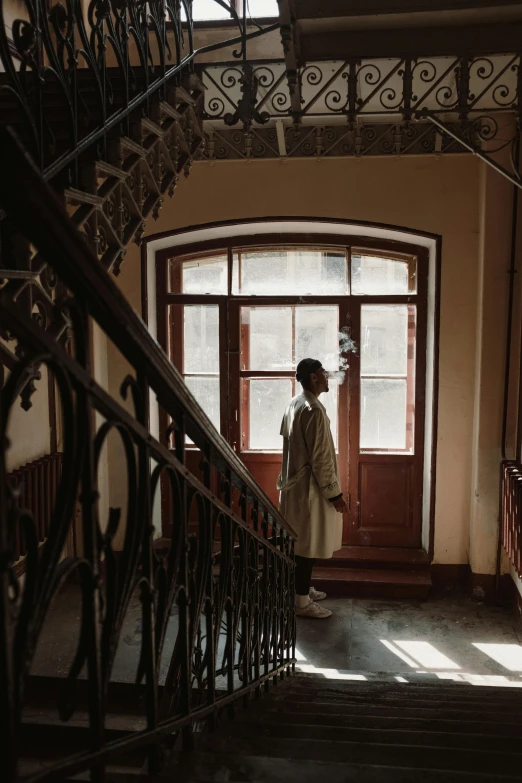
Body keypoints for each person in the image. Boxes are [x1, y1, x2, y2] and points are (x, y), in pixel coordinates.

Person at [277, 358, 348, 619]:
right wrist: (335, 494)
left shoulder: (294, 403)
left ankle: (301, 590)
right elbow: (321, 459)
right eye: (323, 373)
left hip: (294, 487)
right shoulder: (314, 410)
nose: (328, 377)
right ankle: (301, 602)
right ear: (313, 378)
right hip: (310, 491)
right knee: (307, 545)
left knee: (302, 543)